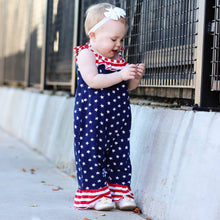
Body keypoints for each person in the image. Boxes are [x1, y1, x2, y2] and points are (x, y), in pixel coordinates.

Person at [73, 3, 145, 211]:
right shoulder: (86, 54)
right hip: (93, 119)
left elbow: (126, 86)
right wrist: (121, 74)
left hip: (118, 118)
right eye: (113, 39)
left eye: (121, 39)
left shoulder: (119, 59)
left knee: (119, 154)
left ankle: (119, 191)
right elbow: (93, 80)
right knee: (91, 152)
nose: (118, 44)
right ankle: (95, 194)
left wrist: (134, 77)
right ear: (93, 35)